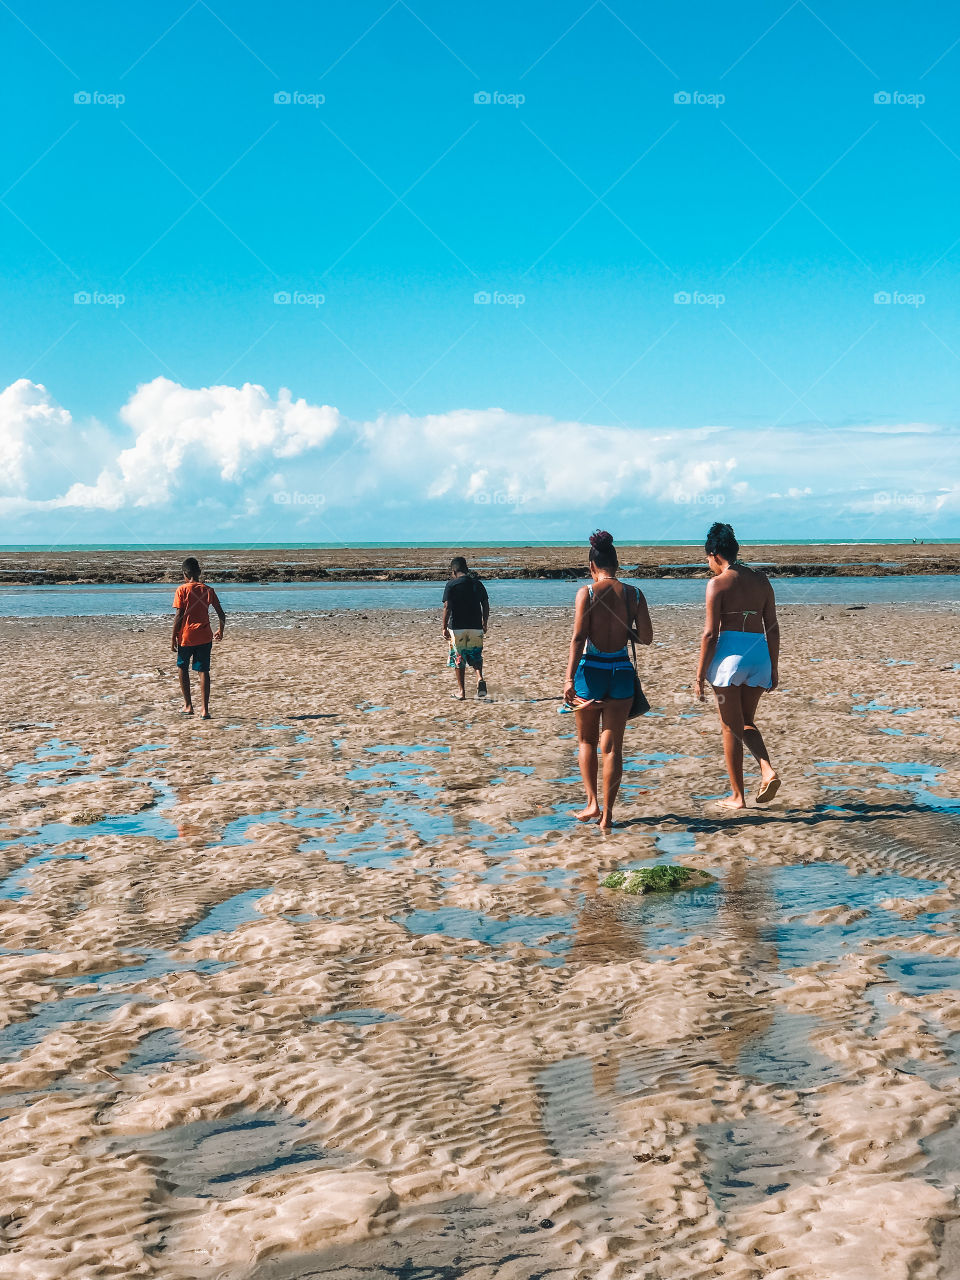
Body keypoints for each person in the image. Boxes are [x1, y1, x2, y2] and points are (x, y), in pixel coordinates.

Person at [563, 530, 652, 829]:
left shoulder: (586, 593)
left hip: (591, 671)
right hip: (621, 672)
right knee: (613, 747)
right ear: (617, 564)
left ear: (592, 566)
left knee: (587, 741)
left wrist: (568, 680)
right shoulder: (635, 594)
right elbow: (647, 638)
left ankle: (592, 804)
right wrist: (625, 628)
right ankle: (609, 816)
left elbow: (578, 638)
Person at [694, 522, 780, 810]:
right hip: (760, 656)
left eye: (708, 559)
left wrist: (697, 676)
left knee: (730, 727)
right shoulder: (762, 580)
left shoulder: (717, 584)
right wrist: (774, 668)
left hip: (729, 660)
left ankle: (737, 796)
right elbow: (773, 628)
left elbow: (709, 634)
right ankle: (766, 769)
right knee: (745, 723)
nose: (708, 565)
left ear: (715, 553)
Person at [171, 557, 225, 719]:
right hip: (204, 636)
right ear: (199, 572)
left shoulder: (182, 590)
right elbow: (221, 614)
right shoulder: (208, 590)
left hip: (186, 637)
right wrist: (220, 630)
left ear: (185, 574)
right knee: (203, 671)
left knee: (182, 667)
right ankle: (205, 710)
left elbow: (179, 616)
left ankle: (188, 706)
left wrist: (173, 635)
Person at [442, 556, 489, 700]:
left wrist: (444, 627)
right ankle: (479, 677)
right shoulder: (478, 584)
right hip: (475, 626)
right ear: (467, 569)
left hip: (457, 627)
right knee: (475, 654)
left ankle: (461, 692)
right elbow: (485, 604)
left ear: (454, 571)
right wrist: (484, 622)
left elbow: (447, 607)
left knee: (459, 658)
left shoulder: (451, 585)